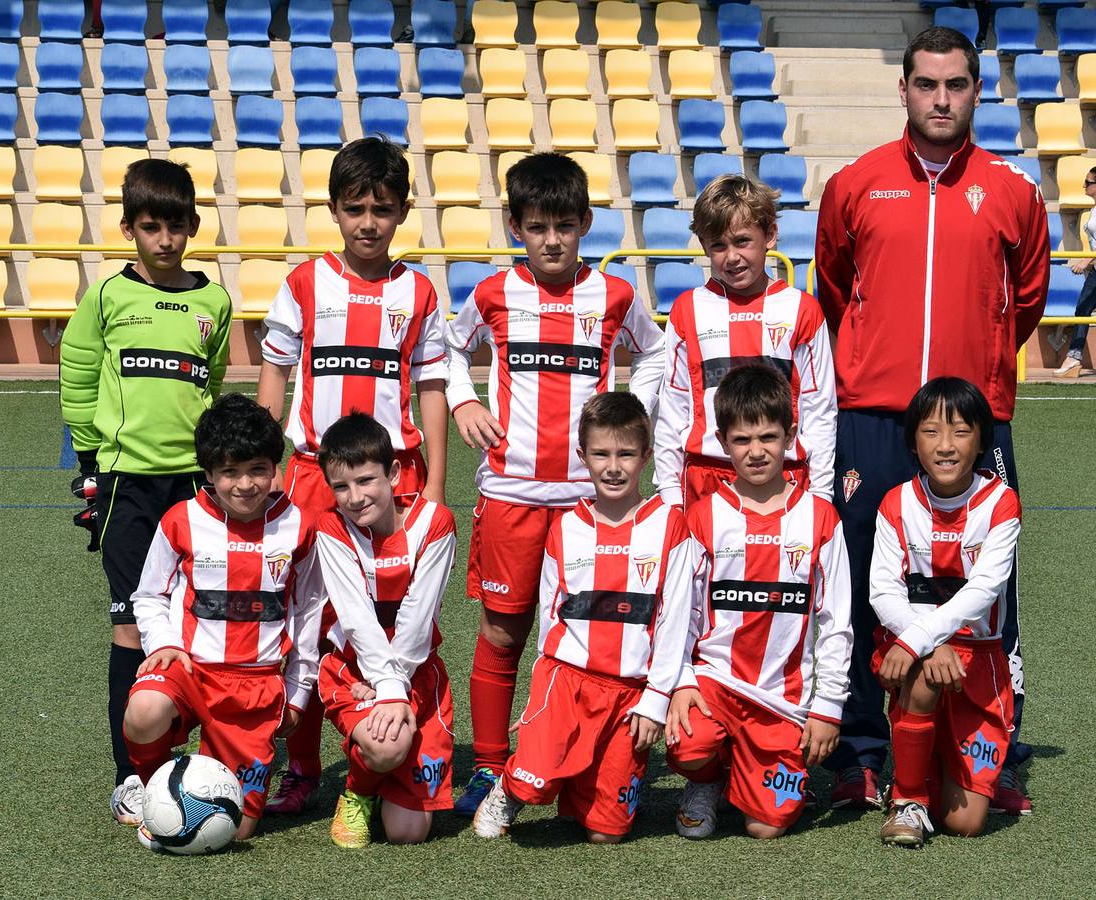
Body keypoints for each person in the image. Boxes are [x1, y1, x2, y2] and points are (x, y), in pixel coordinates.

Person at [814, 25, 1048, 814]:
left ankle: (997, 749)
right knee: (852, 577)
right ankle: (860, 749)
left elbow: (1021, 305)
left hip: (972, 420)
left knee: (991, 585)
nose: (940, 98)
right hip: (873, 414)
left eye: (955, 84)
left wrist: (972, 378)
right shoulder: (854, 184)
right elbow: (837, 289)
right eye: (926, 83)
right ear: (904, 88)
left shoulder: (1015, 193)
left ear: (977, 90)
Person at [445, 152, 666, 814]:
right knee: (504, 632)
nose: (550, 240)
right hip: (511, 495)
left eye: (563, 226)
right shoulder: (491, 293)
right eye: (537, 226)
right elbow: (450, 348)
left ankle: (574, 757)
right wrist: (464, 402)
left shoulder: (615, 295)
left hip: (588, 504)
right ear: (516, 226)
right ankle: (488, 765)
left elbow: (655, 352)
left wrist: (634, 418)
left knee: (580, 635)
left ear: (585, 225)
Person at [257, 136, 449, 814]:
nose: (368, 222)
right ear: (333, 211)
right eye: (354, 208)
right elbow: (275, 376)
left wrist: (432, 488)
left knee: (391, 615)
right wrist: (267, 469)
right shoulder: (305, 283)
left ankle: (385, 751)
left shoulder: (418, 291)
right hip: (312, 477)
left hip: (395, 479)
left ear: (402, 212)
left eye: (382, 208)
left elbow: (431, 388)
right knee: (304, 620)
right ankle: (304, 765)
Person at [59, 158, 233, 824]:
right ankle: (128, 776)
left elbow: (208, 385)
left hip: (193, 487)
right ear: (128, 228)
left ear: (194, 226)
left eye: (176, 227)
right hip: (126, 484)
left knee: (195, 624)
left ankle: (196, 760)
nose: (164, 240)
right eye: (149, 227)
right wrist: (90, 462)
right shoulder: (107, 298)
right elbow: (77, 378)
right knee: (132, 626)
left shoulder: (212, 301)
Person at [471, 392, 696, 843]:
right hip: (568, 682)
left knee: (605, 833)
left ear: (647, 457)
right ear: (582, 456)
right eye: (601, 453)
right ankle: (510, 789)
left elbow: (675, 623)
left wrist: (655, 699)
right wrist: (541, 697)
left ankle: (582, 783)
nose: (613, 466)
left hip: (629, 692)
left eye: (626, 453)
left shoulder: (670, 525)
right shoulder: (566, 527)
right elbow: (552, 620)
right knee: (534, 783)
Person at [121, 393, 324, 849]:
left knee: (236, 827)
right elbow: (149, 595)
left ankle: (219, 769)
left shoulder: (299, 526)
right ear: (209, 474)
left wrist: (298, 691)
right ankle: (158, 790)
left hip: (253, 686)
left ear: (276, 468)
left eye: (257, 469)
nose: (245, 484)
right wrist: (162, 645)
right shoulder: (181, 520)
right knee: (144, 712)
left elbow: (310, 613)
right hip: (189, 670)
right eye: (229, 472)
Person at [665, 365, 852, 840]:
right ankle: (705, 779)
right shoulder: (703, 517)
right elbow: (680, 616)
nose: (756, 451)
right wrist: (682, 683)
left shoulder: (820, 517)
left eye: (768, 437)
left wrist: (828, 707)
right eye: (742, 439)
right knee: (689, 744)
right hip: (716, 682)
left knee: (768, 826)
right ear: (722, 442)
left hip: (781, 698)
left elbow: (836, 622)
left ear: (790, 436)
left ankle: (746, 771)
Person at [871, 377, 1020, 848]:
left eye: (960, 431)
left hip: (978, 656)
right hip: (917, 653)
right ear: (914, 440)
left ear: (981, 440)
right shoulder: (896, 502)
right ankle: (907, 798)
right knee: (922, 674)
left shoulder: (1000, 503)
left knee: (966, 822)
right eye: (931, 431)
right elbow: (882, 592)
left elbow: (984, 590)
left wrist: (920, 637)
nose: (946, 445)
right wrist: (925, 644)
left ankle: (925, 760)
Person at [314, 412, 457, 847]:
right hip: (353, 672)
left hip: (414, 672)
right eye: (341, 486)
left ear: (394, 473)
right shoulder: (330, 527)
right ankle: (358, 790)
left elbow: (416, 620)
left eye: (366, 480)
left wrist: (392, 687)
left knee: (407, 833)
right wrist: (382, 686)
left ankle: (383, 776)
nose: (354, 497)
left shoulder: (435, 522)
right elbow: (356, 618)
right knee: (388, 744)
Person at [654, 174, 836, 508]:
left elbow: (820, 408)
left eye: (742, 241)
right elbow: (673, 407)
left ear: (770, 235)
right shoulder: (687, 310)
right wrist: (668, 491)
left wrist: (822, 491)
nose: (732, 257)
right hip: (706, 476)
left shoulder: (802, 309)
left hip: (785, 477)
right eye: (718, 246)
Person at [1053, 166, 1096, 378]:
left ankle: (1074, 357)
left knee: (1083, 310)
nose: (1084, 186)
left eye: (1088, 183)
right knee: (1082, 311)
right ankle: (1074, 357)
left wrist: (1086, 260)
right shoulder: (1093, 210)